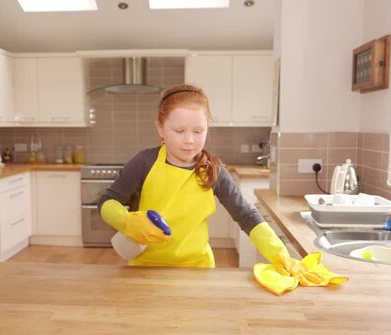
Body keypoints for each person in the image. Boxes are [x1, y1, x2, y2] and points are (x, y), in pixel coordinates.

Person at [97, 83, 289, 268]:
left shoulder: (214, 170)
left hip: (198, 270)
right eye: (179, 131)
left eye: (198, 131)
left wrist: (280, 255)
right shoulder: (144, 162)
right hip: (145, 268)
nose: (189, 140)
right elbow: (107, 202)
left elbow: (246, 216)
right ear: (160, 129)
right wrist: (127, 222)